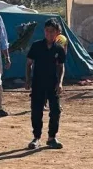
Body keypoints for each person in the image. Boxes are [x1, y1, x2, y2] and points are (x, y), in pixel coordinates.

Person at [25, 18, 67, 150]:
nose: (49, 33)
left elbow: (61, 66)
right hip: (38, 83)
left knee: (55, 110)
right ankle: (36, 137)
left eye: (52, 31)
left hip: (52, 84)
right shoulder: (36, 46)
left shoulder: (59, 49)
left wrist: (60, 83)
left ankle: (52, 138)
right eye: (47, 31)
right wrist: (28, 79)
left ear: (57, 32)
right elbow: (29, 64)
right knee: (36, 111)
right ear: (44, 31)